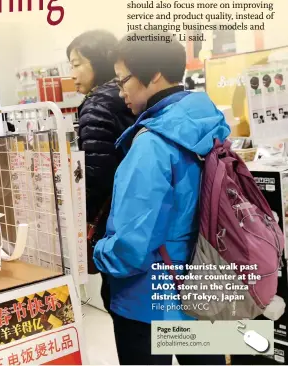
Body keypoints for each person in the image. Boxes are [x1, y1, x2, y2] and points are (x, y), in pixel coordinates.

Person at [93, 31, 230, 365]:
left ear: (153, 76)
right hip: (204, 283)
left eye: (122, 79)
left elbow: (131, 246)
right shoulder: (209, 125)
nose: (120, 90)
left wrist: (97, 252)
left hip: (148, 301)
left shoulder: (151, 145)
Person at [67, 30, 135, 312]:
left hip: (113, 222)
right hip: (141, 215)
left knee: (122, 301)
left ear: (97, 62)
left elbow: (96, 174)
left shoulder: (95, 105)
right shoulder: (130, 98)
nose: (72, 74)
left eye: (76, 64)